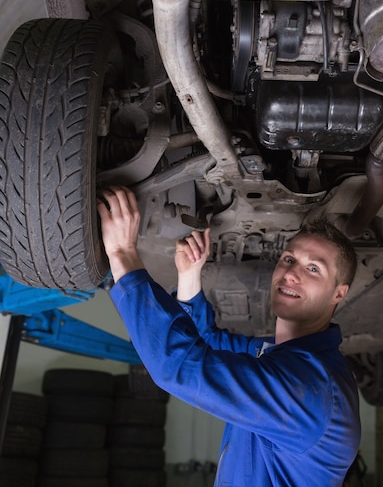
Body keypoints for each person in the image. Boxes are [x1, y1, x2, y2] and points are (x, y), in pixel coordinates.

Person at [97, 185, 361, 487]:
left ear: (338, 293)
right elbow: (208, 344)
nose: (291, 274)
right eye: (289, 259)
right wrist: (189, 276)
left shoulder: (308, 386)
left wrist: (123, 255)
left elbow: (177, 367)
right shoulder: (280, 357)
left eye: (314, 269)